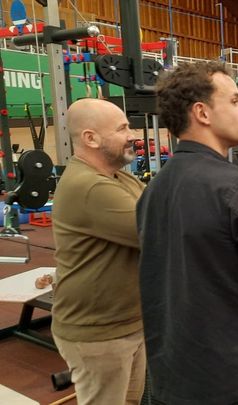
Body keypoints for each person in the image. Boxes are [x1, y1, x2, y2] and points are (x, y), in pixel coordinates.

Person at [136, 61, 238, 405]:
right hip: (228, 381)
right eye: (236, 100)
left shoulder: (153, 188)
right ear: (202, 113)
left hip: (169, 375)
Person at [51, 98, 146, 405]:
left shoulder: (121, 177)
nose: (133, 134)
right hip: (99, 333)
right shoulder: (89, 186)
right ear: (90, 138)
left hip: (128, 322)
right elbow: (161, 232)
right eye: (122, 128)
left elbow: (163, 208)